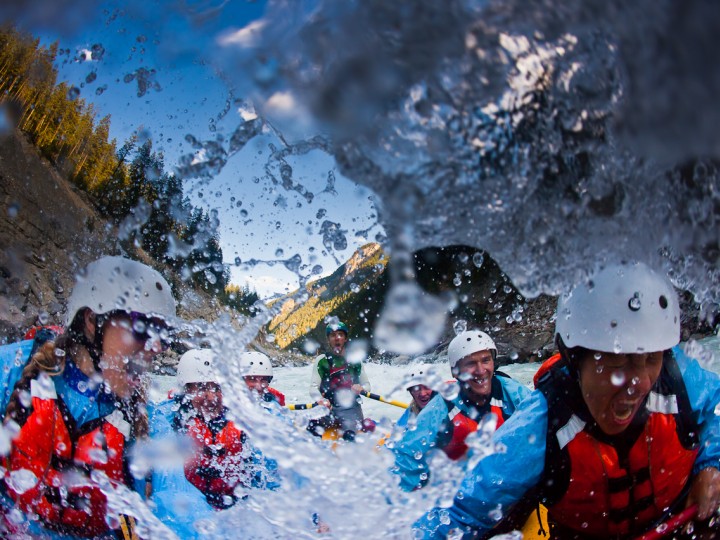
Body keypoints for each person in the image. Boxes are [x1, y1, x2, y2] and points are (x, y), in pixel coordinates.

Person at [415, 262, 720, 539]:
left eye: (650, 359)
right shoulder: (541, 424)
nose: (639, 383)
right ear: (574, 360)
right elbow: (463, 514)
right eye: (617, 362)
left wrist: (711, 464)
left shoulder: (678, 378)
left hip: (683, 523)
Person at [3, 255, 176, 538]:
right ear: (92, 321)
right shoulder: (9, 370)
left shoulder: (147, 418)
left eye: (164, 336)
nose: (157, 348)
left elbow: (175, 495)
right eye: (144, 329)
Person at [392, 330, 530, 492]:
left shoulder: (512, 392)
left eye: (486, 360)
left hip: (511, 485)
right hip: (464, 493)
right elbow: (407, 457)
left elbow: (541, 423)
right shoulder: (440, 407)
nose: (480, 370)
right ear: (456, 371)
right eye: (471, 363)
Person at [308, 320, 372, 438]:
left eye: (340, 335)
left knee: (349, 434)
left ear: (345, 338)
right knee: (312, 426)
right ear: (329, 339)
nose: (337, 338)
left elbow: (367, 386)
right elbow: (313, 388)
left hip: (350, 408)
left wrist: (361, 388)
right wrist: (320, 399)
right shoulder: (322, 360)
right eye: (333, 335)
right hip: (328, 407)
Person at [394, 367, 437, 433]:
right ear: (411, 393)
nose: (423, 394)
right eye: (416, 389)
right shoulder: (410, 414)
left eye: (427, 387)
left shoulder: (449, 403)